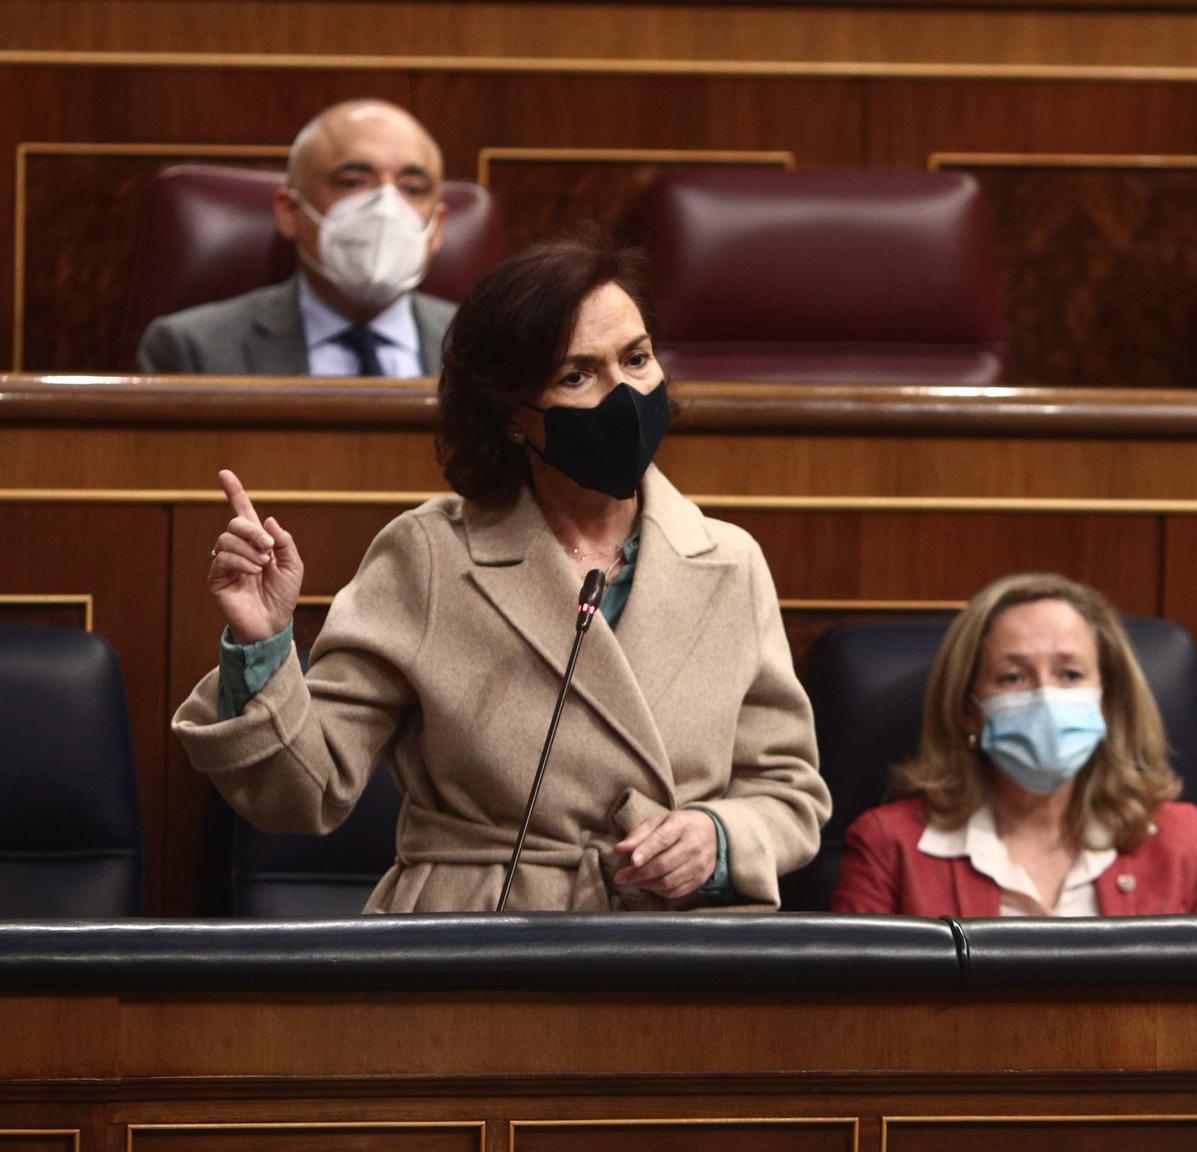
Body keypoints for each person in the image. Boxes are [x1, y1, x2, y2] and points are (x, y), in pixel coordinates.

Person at [172, 234, 830, 911]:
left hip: (678, 949)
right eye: (577, 376)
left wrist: (719, 838)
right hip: (477, 941)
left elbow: (789, 793)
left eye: (636, 359)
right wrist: (262, 643)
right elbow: (302, 794)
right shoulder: (429, 556)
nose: (624, 395)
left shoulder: (728, 560)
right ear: (513, 414)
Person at [831, 573, 1197, 917]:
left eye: (1069, 674)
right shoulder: (891, 846)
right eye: (1012, 677)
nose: (1045, 697)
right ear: (968, 709)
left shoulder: (1182, 841)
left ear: (1106, 701)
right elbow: (853, 1013)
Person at [137, 98, 456, 376]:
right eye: (353, 182)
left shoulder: (490, 348)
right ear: (290, 212)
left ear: (438, 227)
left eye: (412, 189)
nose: (386, 207)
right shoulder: (193, 350)